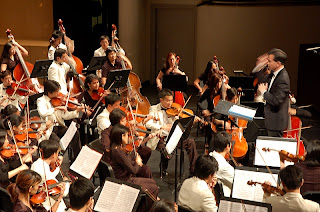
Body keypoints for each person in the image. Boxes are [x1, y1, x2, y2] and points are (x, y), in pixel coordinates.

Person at [145, 88, 198, 176]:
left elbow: (181, 126)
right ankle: (163, 168)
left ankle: (193, 170)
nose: (170, 103)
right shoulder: (153, 108)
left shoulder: (175, 109)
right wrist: (162, 127)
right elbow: (148, 124)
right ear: (161, 100)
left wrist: (191, 122)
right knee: (165, 150)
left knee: (190, 142)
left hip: (173, 137)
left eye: (171, 100)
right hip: (160, 137)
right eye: (167, 101)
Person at [36, 80, 90, 162]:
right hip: (48, 129)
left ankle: (76, 159)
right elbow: (42, 113)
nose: (58, 94)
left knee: (75, 133)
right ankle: (56, 161)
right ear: (49, 93)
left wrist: (77, 111)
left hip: (59, 126)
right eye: (56, 92)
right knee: (57, 142)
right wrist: (56, 108)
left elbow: (65, 116)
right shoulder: (41, 101)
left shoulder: (57, 101)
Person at [109, 124, 159, 212]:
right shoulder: (118, 152)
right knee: (154, 188)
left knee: (153, 183)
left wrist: (135, 151)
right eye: (127, 135)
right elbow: (133, 170)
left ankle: (148, 201)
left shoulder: (116, 147)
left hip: (126, 177)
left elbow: (127, 160)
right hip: (125, 181)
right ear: (121, 136)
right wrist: (138, 163)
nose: (128, 138)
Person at [258, 48, 290, 137]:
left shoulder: (283, 78)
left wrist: (264, 92)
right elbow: (262, 80)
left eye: (269, 61)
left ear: (278, 63)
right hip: (270, 120)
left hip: (276, 123)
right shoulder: (274, 73)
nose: (267, 63)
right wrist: (259, 65)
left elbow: (276, 100)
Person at [31, 140, 68, 212]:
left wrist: (57, 166)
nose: (58, 156)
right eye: (57, 153)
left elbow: (50, 175)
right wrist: (66, 182)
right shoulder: (44, 173)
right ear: (53, 155)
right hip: (46, 203)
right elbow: (63, 192)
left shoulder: (37, 163)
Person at [209, 131, 234, 197]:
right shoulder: (226, 168)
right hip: (225, 198)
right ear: (228, 146)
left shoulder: (210, 155)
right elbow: (237, 184)